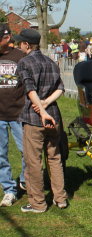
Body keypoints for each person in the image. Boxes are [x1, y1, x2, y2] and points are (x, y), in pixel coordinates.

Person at [15, 28, 68, 213]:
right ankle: (60, 199)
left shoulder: (24, 63)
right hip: (54, 116)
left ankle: (37, 203)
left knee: (33, 161)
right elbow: (60, 88)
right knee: (54, 157)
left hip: (34, 118)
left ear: (27, 44)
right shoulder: (51, 62)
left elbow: (30, 89)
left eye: (20, 42)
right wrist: (46, 103)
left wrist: (41, 108)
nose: (18, 44)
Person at [0, 24, 26, 207]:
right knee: (0, 155)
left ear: (6, 38)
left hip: (19, 113)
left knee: (27, 151)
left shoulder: (20, 57)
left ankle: (26, 181)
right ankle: (9, 190)